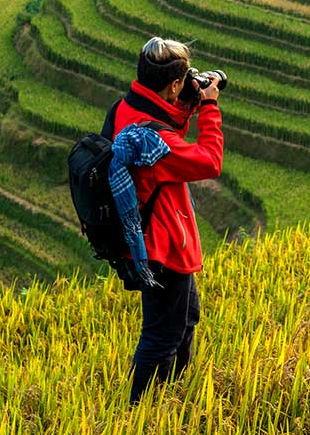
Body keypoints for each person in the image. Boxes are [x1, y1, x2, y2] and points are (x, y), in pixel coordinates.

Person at [110, 36, 223, 405]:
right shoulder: (153, 141)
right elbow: (209, 162)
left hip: (148, 236)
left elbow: (164, 127)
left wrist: (186, 103)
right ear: (173, 83)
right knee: (161, 335)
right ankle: (137, 410)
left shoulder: (125, 109)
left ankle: (171, 399)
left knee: (185, 319)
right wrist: (208, 107)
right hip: (161, 246)